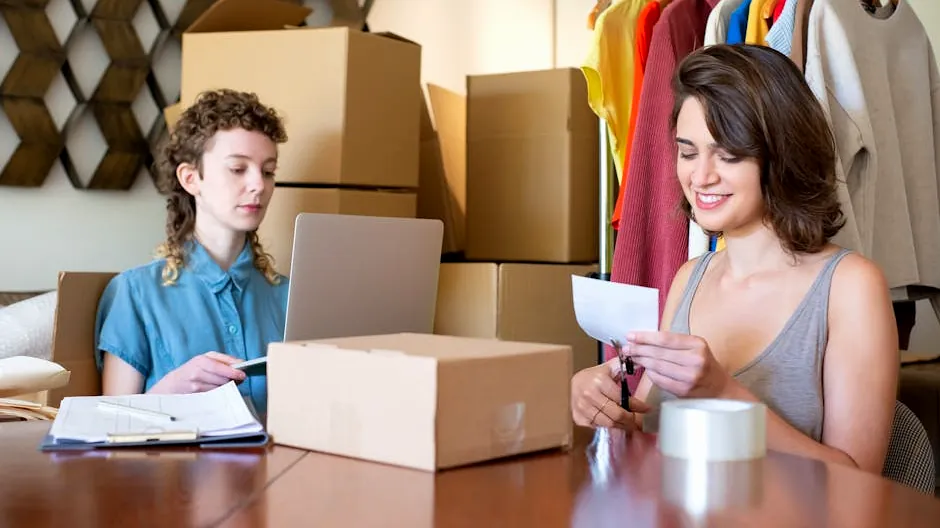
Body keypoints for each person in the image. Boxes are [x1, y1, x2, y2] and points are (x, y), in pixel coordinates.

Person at [570, 44, 899, 475]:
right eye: (688, 152)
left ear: (782, 154)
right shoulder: (691, 278)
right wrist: (601, 406)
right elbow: (652, 436)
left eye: (728, 155)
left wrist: (724, 394)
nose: (701, 176)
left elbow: (859, 484)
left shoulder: (851, 286)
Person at [94, 89, 290, 418]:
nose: (259, 184)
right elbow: (112, 424)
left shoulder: (290, 298)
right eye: (238, 169)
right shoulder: (135, 294)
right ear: (190, 178)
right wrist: (169, 391)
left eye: (268, 171)